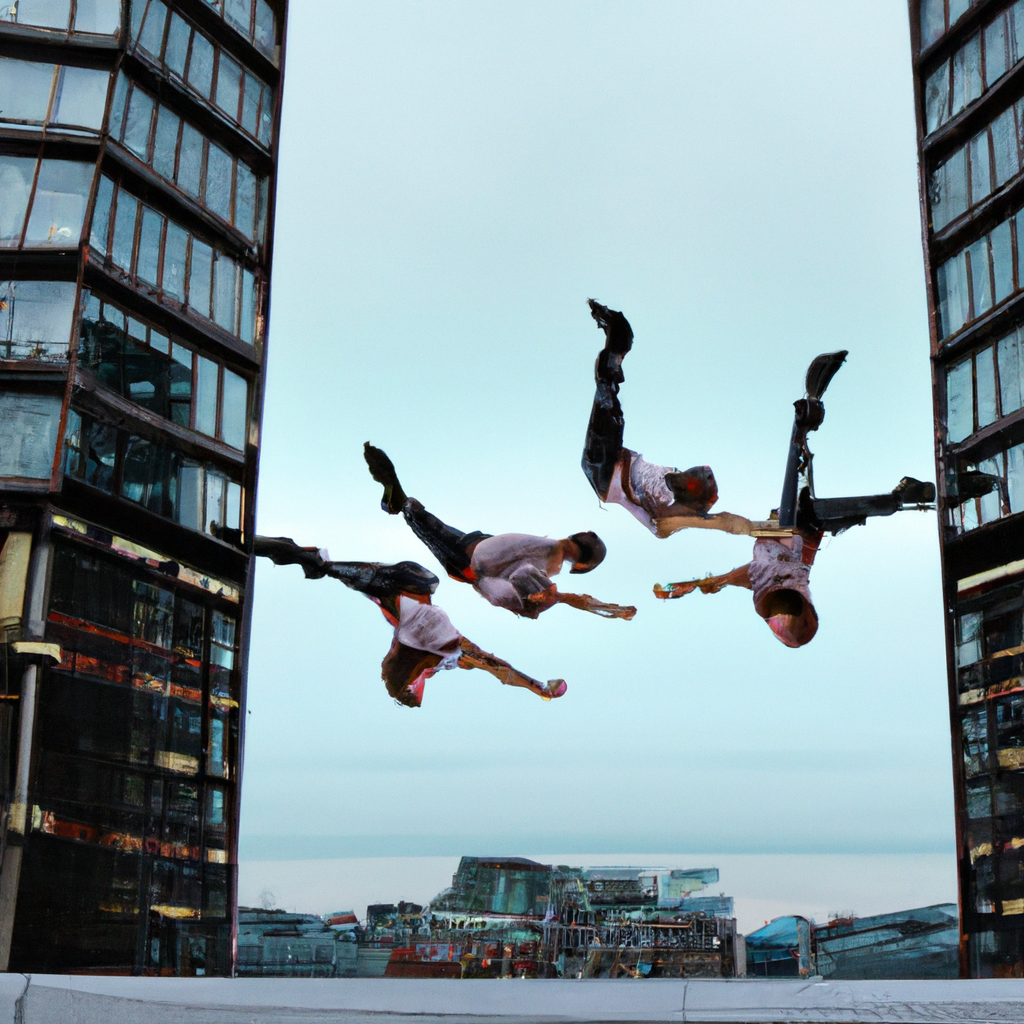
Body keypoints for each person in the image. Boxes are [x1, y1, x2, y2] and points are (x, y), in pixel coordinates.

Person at [584, 299, 935, 647]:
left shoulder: (758, 581)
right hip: (786, 534)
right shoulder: (782, 573)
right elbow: (738, 534)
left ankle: (887, 493)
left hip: (776, 530)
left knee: (801, 510)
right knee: (803, 510)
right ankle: (887, 492)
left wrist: (690, 585)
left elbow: (731, 573)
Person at [253, 535, 566, 706]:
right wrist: (537, 687)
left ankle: (300, 555)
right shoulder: (452, 654)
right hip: (408, 583)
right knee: (326, 567)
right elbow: (501, 670)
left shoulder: (445, 653)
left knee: (325, 567)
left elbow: (500, 669)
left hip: (406, 586)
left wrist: (537, 687)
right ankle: (303, 556)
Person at [363, 444, 635, 620]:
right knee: (424, 523)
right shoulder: (552, 554)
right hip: (472, 555)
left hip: (474, 554)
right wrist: (556, 598)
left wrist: (602, 608)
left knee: (426, 525)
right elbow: (521, 574)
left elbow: (519, 576)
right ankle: (403, 503)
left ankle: (403, 504)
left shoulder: (553, 554)